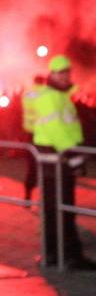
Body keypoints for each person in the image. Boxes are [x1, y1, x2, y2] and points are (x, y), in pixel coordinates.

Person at [32, 55, 93, 269]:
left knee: (60, 208)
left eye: (68, 72)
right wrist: (74, 155)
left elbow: (68, 127)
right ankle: (66, 256)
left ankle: (56, 254)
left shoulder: (61, 96)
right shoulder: (49, 97)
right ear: (53, 74)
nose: (66, 76)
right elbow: (56, 130)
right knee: (59, 209)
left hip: (61, 159)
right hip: (56, 161)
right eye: (62, 73)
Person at [21, 74, 45, 201]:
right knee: (44, 166)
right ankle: (45, 197)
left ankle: (28, 196)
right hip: (43, 134)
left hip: (30, 133)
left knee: (31, 167)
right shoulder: (45, 95)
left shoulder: (27, 94)